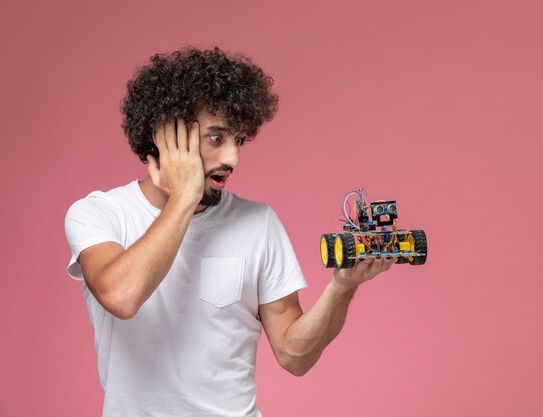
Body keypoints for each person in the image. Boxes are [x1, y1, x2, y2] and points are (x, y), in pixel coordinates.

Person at [64, 47, 394, 417]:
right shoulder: (99, 213)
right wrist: (184, 198)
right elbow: (121, 296)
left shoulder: (258, 222)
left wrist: (342, 287)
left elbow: (294, 355)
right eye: (217, 138)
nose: (233, 159)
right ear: (166, 135)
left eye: (239, 141)